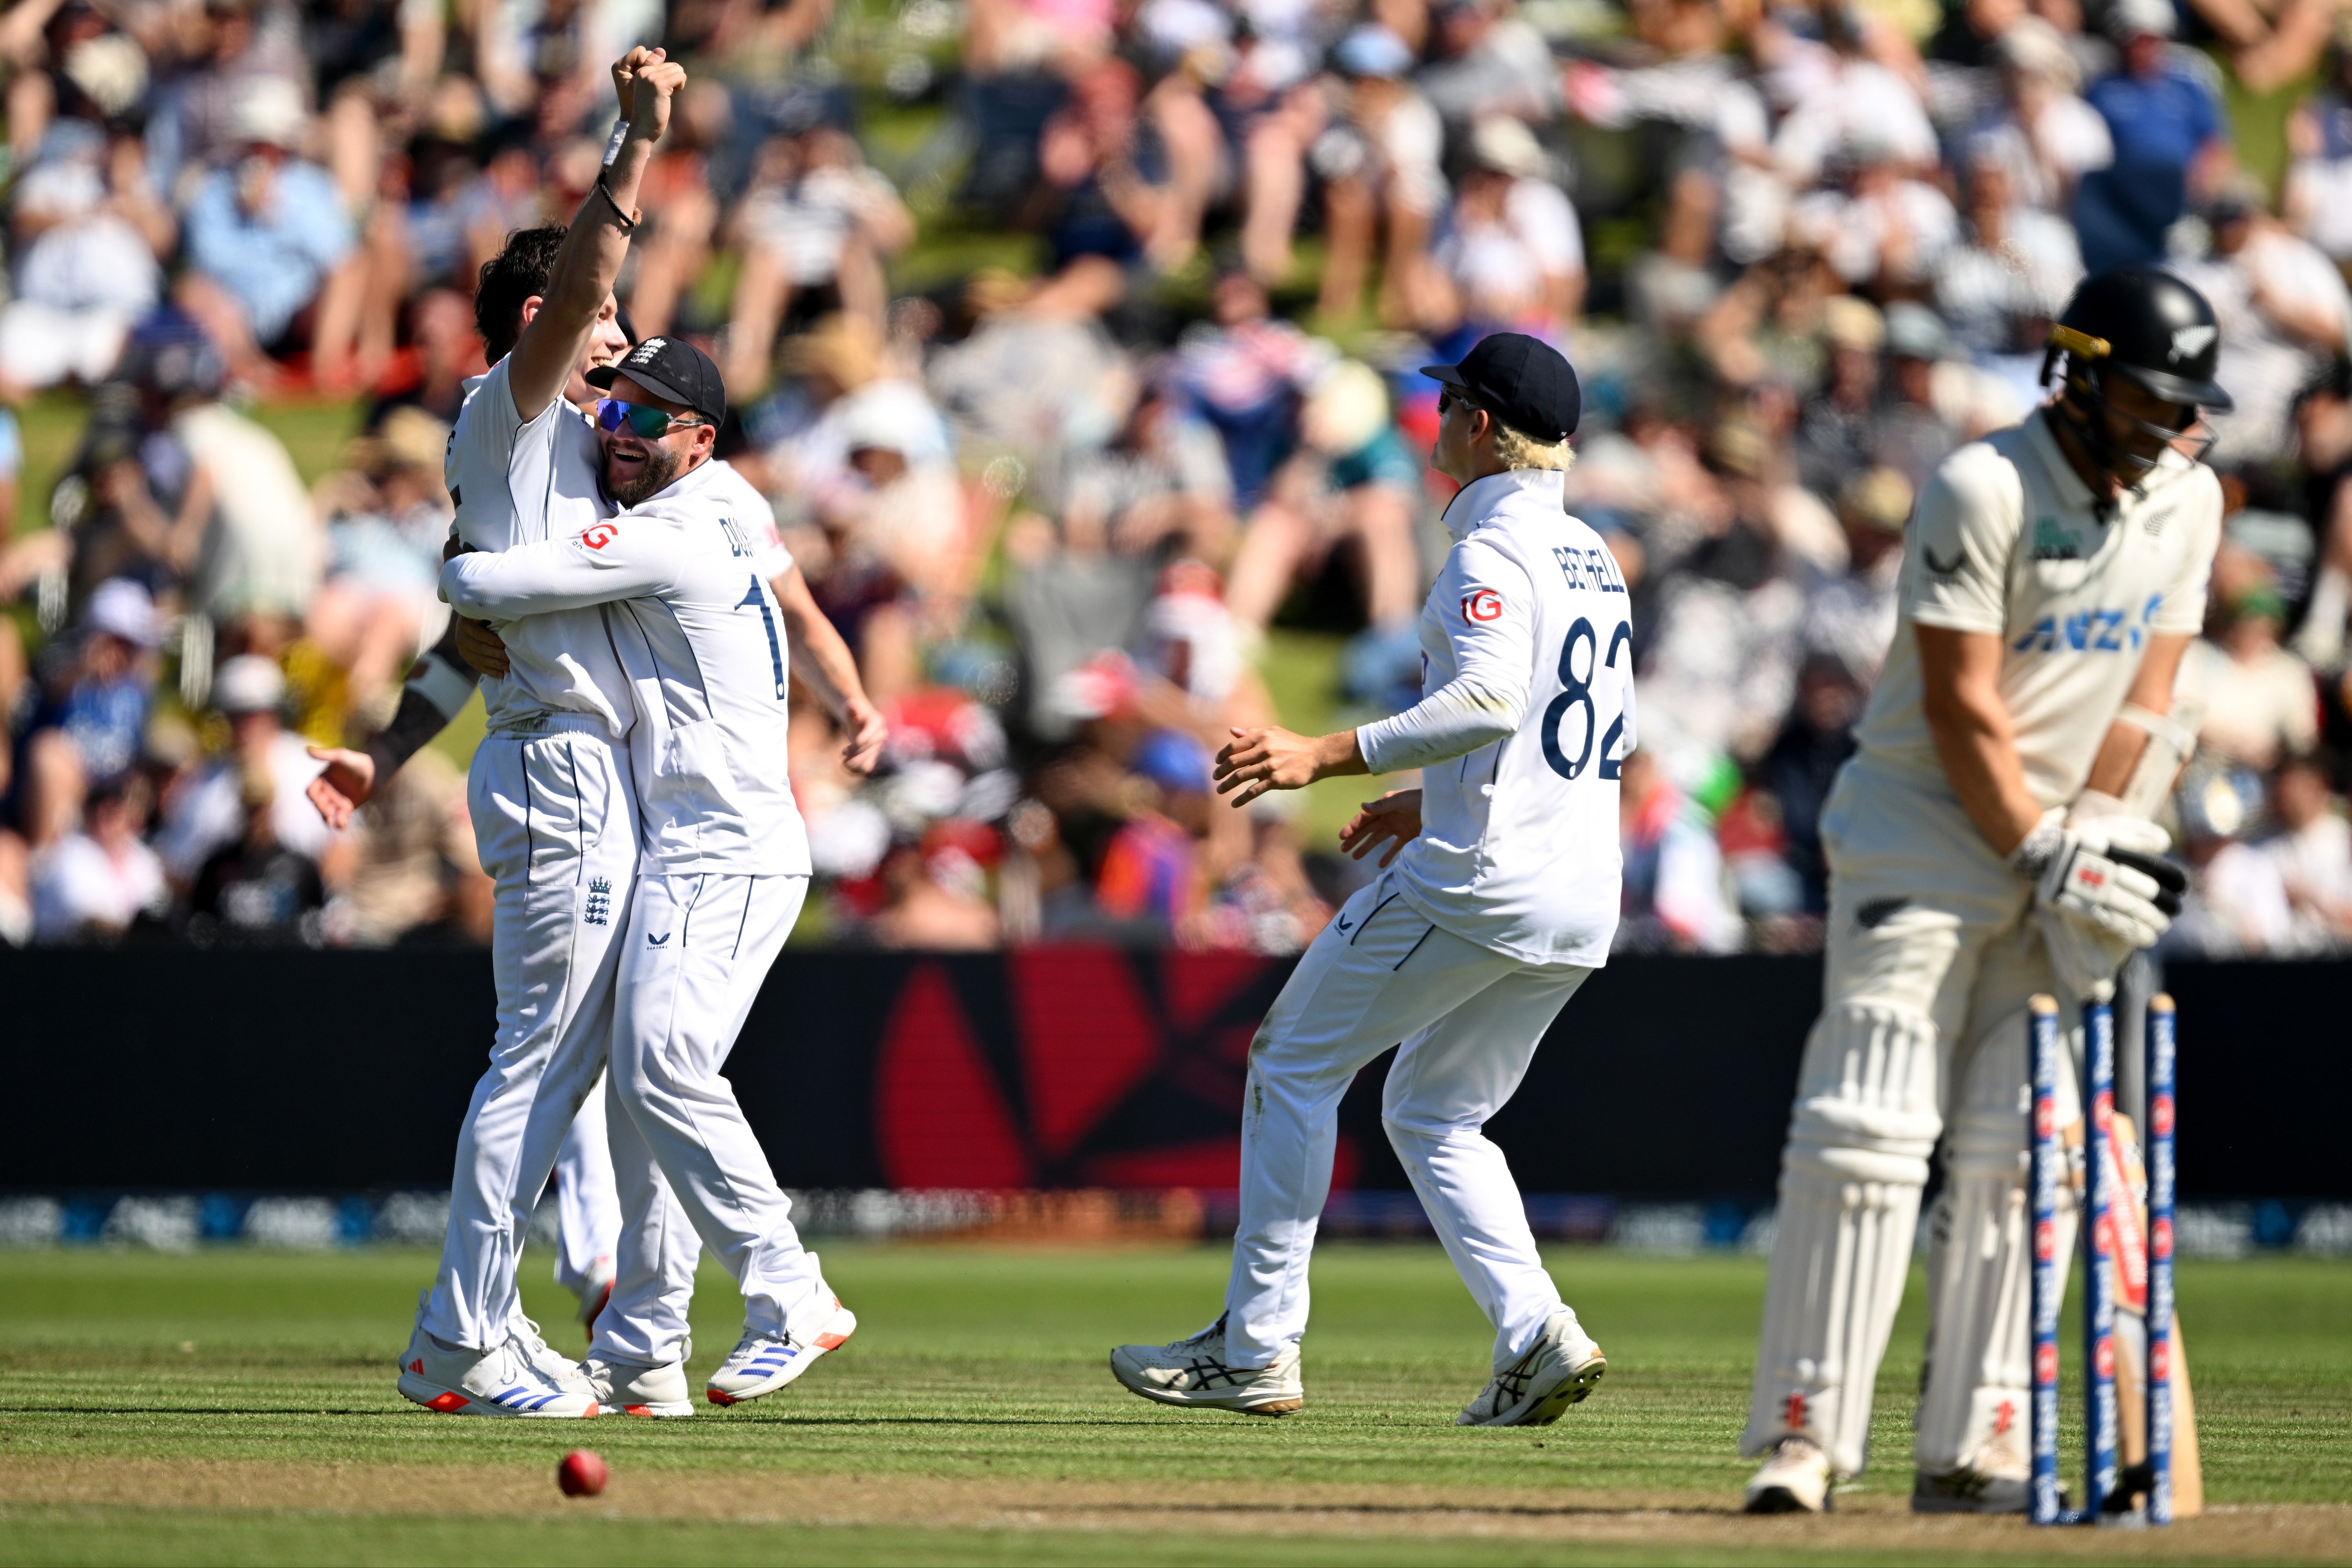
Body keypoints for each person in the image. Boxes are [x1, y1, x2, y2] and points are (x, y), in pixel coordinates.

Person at [1739, 267, 2225, 1515]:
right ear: (2076, 372)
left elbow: (2148, 698)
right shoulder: (1983, 483)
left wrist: (2101, 839)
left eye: (2181, 406)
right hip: (1922, 829)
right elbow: (1961, 703)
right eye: (2144, 399)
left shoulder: (2190, 501)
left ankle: (1978, 1441)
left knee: (2025, 1160)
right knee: (1867, 1124)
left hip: (2061, 838)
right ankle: (1803, 1439)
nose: (2166, 428)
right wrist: (2038, 842)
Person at [1106, 333, 1628, 1427]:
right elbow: (1547, 725)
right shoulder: (1592, 556)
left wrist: (1322, 753)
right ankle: (1535, 1329)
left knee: (1289, 1062)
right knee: (1433, 1111)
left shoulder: (1487, 552)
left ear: (1481, 426)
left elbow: (1488, 701)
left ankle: (1253, 1347)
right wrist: (1429, 796)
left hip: (1485, 879)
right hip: (1579, 889)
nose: (1434, 422)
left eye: (1447, 407)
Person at [440, 333, 865, 1418]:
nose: (615, 434)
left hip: (721, 845)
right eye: (607, 411)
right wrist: (851, 696)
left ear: (699, 439)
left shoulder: (670, 533)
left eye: (643, 421)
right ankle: (638, 1346)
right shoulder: (730, 500)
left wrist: (457, 565)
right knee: (648, 1095)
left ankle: (791, 1292)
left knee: (660, 1064)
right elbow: (800, 605)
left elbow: (490, 576)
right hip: (699, 838)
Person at [376, 47, 687, 1422]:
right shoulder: (508, 410)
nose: (619, 340)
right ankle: (464, 1335)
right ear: (538, 329)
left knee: (576, 1060)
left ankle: (530, 1313)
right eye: (598, 322)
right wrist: (635, 146)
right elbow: (574, 295)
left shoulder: (580, 453)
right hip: (556, 767)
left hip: (590, 767)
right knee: (540, 1057)